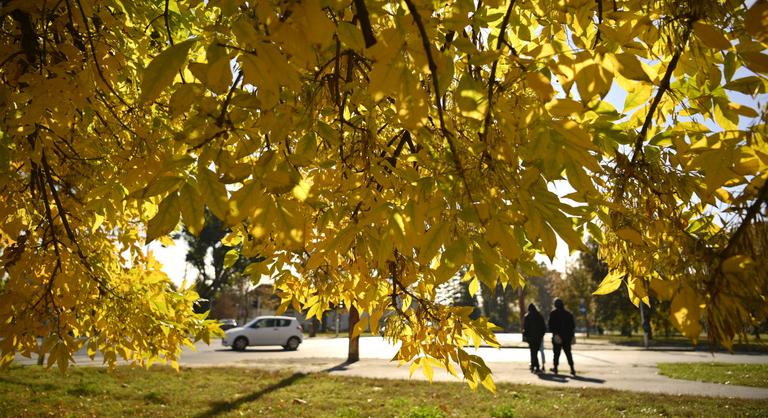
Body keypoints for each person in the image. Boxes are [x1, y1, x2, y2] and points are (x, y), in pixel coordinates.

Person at [548, 298, 576, 375]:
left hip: (557, 337)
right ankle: (572, 369)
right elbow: (572, 326)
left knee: (556, 354)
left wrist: (555, 334)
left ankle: (556, 368)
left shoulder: (553, 314)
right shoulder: (568, 314)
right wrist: (572, 335)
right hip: (567, 337)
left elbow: (551, 326)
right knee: (568, 353)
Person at [522, 303, 546, 373]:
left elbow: (525, 328)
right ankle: (535, 366)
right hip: (538, 338)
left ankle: (534, 366)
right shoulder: (539, 316)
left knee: (533, 352)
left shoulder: (527, 316)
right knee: (535, 352)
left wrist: (525, 336)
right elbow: (543, 327)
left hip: (531, 338)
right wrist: (541, 335)